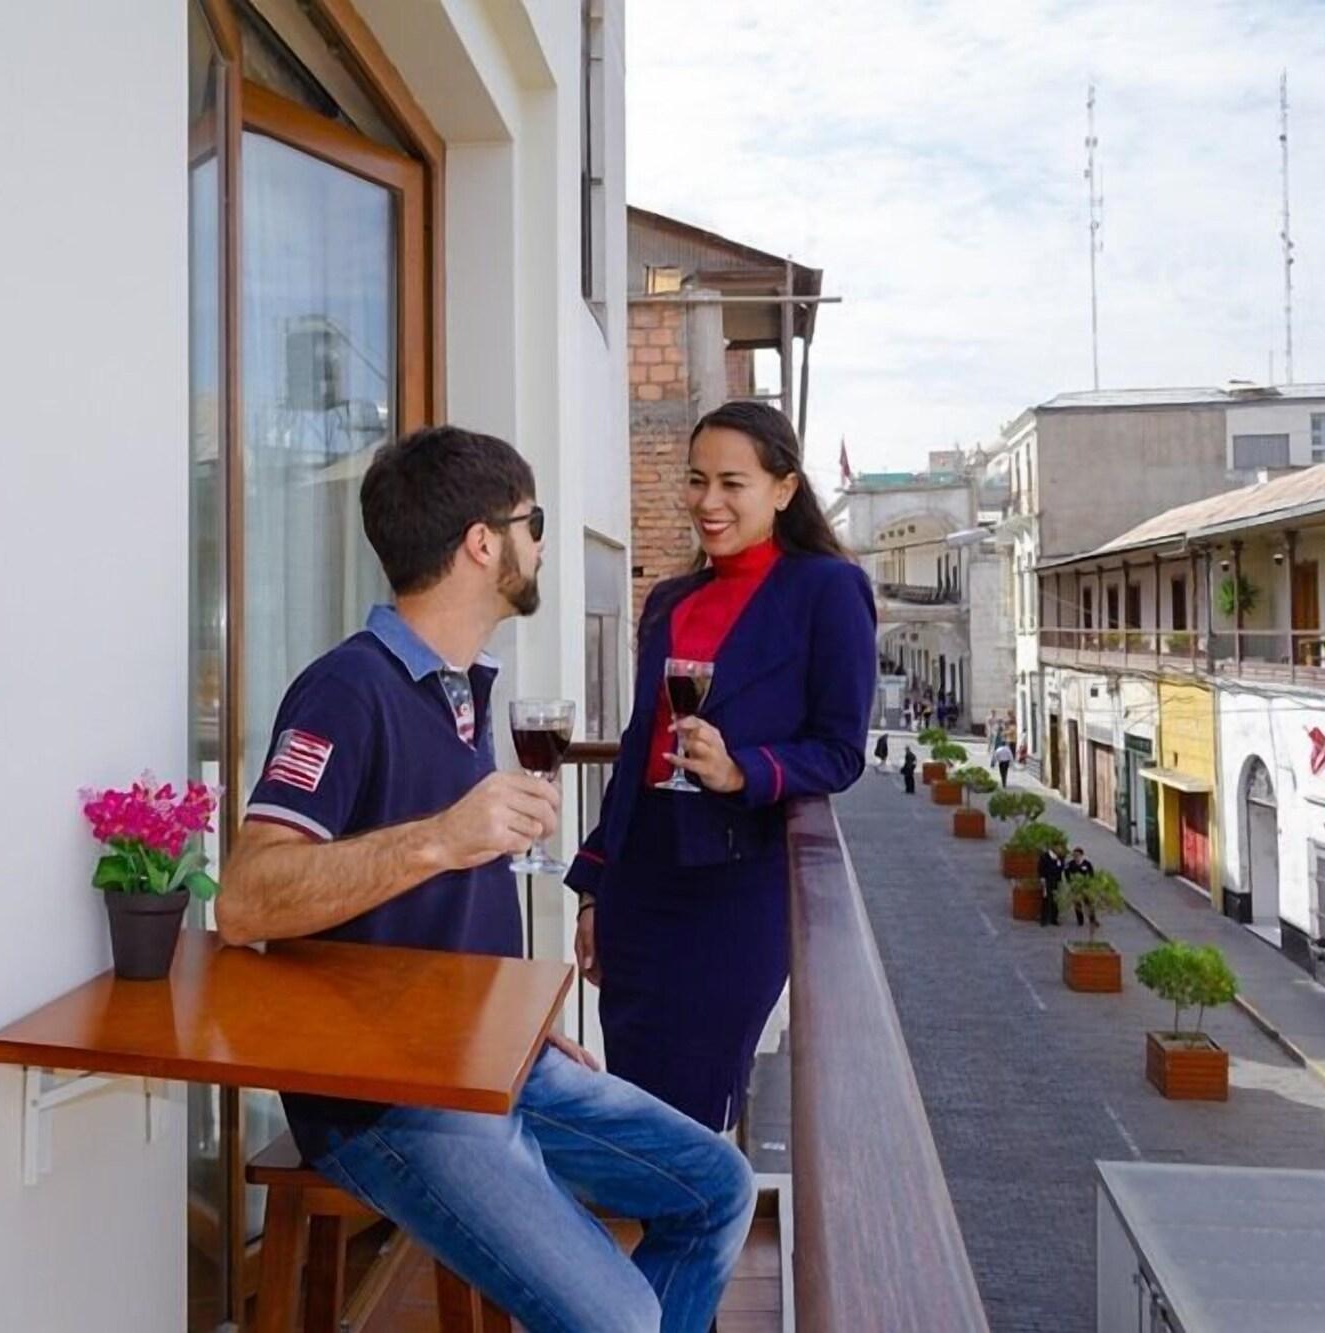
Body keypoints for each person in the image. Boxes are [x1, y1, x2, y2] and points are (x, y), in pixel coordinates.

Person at [215, 426, 753, 1333]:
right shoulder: (347, 689)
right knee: (623, 1321)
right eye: (531, 522)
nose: (538, 543)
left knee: (717, 1185)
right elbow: (246, 899)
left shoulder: (465, 687)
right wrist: (438, 838)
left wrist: (525, 1025)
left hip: (489, 1060)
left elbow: (452, 917)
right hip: (389, 1101)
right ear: (481, 542)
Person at [569, 400, 876, 1132]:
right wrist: (593, 887)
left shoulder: (828, 591)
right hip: (640, 886)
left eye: (732, 483)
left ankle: (682, 1241)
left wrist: (743, 771)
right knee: (633, 1100)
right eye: (697, 480)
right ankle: (645, 1243)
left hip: (733, 893)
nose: (709, 502)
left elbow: (839, 748)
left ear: (784, 488)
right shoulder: (668, 601)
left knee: (692, 1113)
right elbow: (639, 745)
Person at [1065, 845, 1097, 927]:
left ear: (1082, 855)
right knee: (1077, 904)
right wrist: (1070, 882)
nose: (1076, 857)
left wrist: (1090, 883)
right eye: (1074, 855)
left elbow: (1091, 874)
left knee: (1089, 904)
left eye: (1077, 855)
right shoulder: (1070, 864)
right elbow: (1067, 874)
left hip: (1085, 887)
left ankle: (1092, 919)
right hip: (1075, 887)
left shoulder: (1087, 864)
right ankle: (1080, 921)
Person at [1036, 843, 1066, 927]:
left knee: (1055, 900)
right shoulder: (1045, 857)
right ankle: (1044, 919)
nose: (1060, 849)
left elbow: (1062, 867)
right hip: (1047, 881)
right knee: (1046, 900)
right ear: (1054, 847)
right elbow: (1040, 868)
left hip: (1056, 881)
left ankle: (1054, 919)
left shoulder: (1060, 857)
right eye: (1058, 847)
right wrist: (1042, 878)